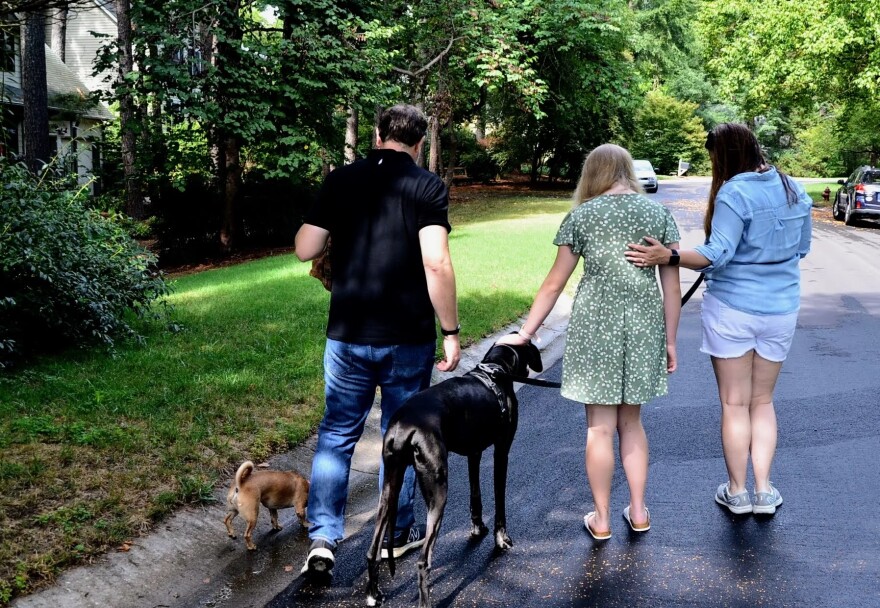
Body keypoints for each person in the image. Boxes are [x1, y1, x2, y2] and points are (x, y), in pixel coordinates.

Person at [294, 104, 461, 578]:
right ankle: (395, 531)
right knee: (402, 435)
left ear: (377, 134)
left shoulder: (342, 180)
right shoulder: (427, 186)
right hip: (407, 336)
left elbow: (305, 247)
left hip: (347, 335)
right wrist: (450, 331)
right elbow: (436, 263)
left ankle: (323, 537)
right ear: (420, 142)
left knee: (337, 433)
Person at [625, 123, 812, 516]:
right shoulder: (794, 187)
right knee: (762, 402)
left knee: (734, 403)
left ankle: (738, 490)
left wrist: (669, 256)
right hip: (781, 310)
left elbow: (718, 253)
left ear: (723, 154)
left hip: (732, 310)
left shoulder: (734, 192)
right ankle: (764, 491)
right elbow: (803, 248)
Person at [498, 144, 681, 540]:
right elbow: (671, 285)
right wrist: (670, 341)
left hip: (595, 329)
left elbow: (554, 283)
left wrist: (527, 333)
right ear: (627, 171)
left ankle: (600, 519)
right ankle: (638, 511)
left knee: (599, 429)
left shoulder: (582, 216)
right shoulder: (657, 214)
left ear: (592, 174)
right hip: (643, 327)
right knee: (631, 423)